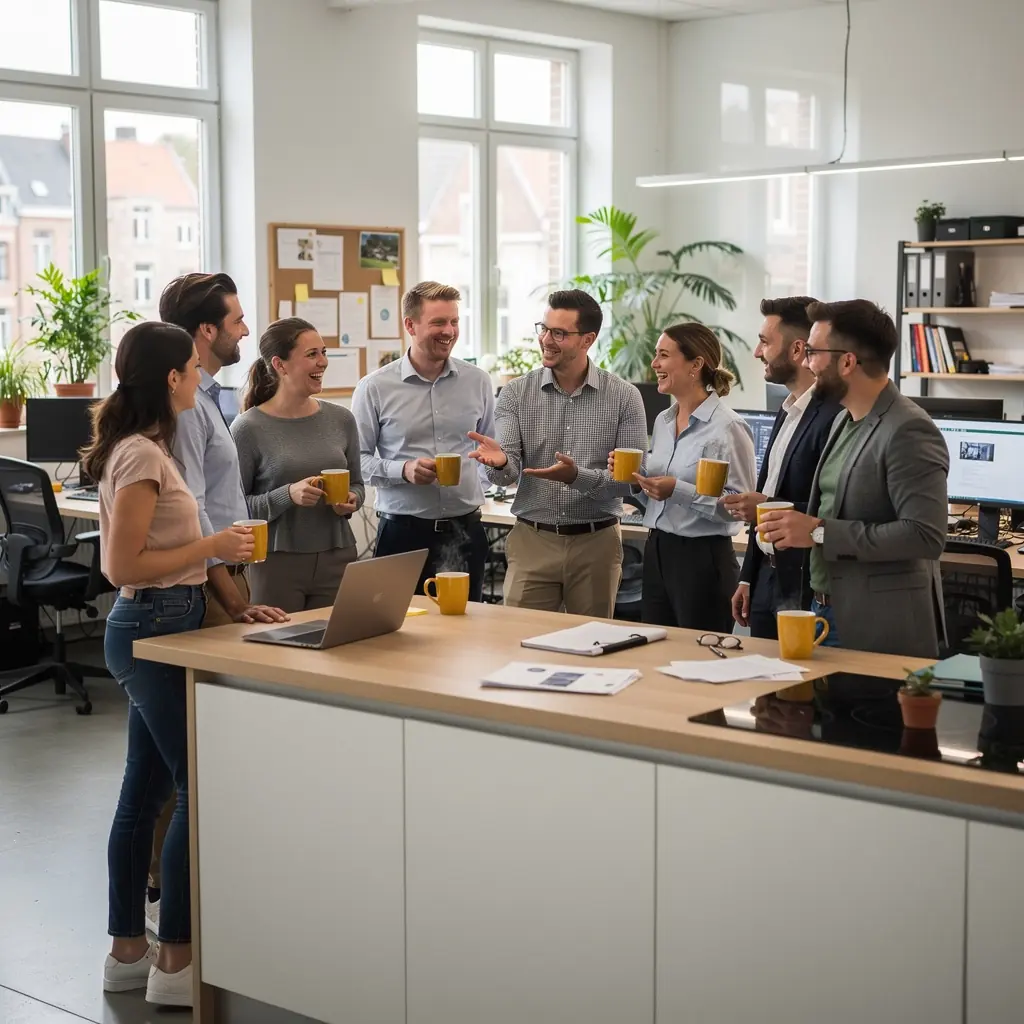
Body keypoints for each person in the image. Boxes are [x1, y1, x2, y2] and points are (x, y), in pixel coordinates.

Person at [83, 322, 254, 1007]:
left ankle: (128, 953)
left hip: (166, 617)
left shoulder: (149, 449)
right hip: (152, 622)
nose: (199, 375)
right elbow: (122, 565)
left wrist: (235, 603)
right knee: (195, 788)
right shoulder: (141, 457)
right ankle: (177, 960)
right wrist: (213, 544)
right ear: (171, 379)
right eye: (191, 366)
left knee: (146, 793)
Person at [147, 274, 287, 936]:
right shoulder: (185, 408)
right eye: (235, 320)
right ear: (206, 330)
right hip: (204, 587)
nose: (244, 330)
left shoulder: (206, 398)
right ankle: (170, 896)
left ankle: (192, 883)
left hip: (223, 577)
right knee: (183, 758)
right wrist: (230, 597)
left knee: (191, 752)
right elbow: (194, 517)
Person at [759, 299, 949, 658]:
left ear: (847, 362)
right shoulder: (843, 420)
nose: (805, 362)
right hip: (822, 609)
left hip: (876, 624)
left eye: (813, 352)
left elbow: (925, 536)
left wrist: (818, 531)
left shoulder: (908, 429)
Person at [468, 289, 647, 617]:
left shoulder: (624, 397)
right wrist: (502, 462)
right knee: (520, 640)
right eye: (544, 329)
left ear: (587, 340)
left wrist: (577, 477)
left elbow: (631, 482)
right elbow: (504, 475)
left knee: (592, 642)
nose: (546, 340)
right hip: (532, 541)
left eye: (559, 333)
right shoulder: (515, 393)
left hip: (597, 543)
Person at [351, 281, 494, 600]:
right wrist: (403, 470)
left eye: (454, 321)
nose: (449, 331)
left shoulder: (478, 381)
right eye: (438, 322)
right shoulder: (374, 387)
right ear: (410, 325)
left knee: (466, 623)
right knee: (397, 624)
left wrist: (479, 483)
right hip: (402, 535)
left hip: (466, 531)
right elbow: (355, 461)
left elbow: (491, 450)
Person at [725, 297, 843, 638]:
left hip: (803, 583)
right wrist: (748, 577)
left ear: (796, 350)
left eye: (764, 342)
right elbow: (767, 491)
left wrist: (766, 507)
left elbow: (832, 509)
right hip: (766, 577)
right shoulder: (787, 409)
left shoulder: (834, 416)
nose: (757, 353)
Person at [626, 323, 756, 631]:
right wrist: (638, 483)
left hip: (703, 560)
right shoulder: (663, 421)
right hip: (657, 551)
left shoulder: (728, 427)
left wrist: (678, 490)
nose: (654, 364)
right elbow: (659, 496)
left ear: (695, 364)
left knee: (699, 653)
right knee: (656, 647)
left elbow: (740, 507)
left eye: (663, 355)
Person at [231, 318, 365, 613]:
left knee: (342, 641)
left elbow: (357, 483)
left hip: (339, 556)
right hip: (276, 563)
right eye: (311, 354)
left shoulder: (342, 420)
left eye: (324, 352)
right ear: (280, 364)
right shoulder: (247, 428)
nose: (323, 362)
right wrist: (287, 495)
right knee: (279, 642)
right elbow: (235, 510)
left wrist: (352, 499)